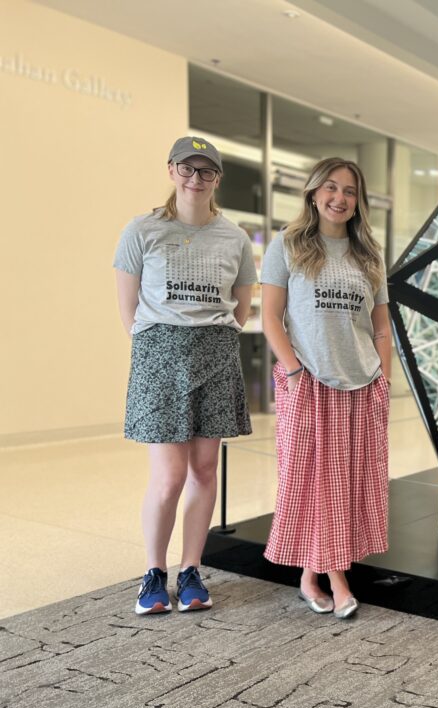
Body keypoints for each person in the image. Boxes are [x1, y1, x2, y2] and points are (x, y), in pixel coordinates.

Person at [114, 136, 256, 615]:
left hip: (215, 353)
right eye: (187, 168)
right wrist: (160, 349)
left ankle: (191, 568)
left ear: (217, 178)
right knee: (169, 476)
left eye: (206, 171)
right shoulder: (142, 229)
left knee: (205, 469)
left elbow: (241, 304)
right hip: (160, 356)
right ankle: (154, 572)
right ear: (172, 170)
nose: (196, 178)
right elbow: (128, 309)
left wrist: (209, 337)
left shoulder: (235, 238)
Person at [261, 157, 391, 620]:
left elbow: (381, 326)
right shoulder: (288, 244)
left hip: (362, 383)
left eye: (350, 191)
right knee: (314, 481)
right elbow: (270, 317)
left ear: (359, 201)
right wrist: (295, 372)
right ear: (314, 193)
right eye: (331, 188)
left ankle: (310, 577)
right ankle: (337, 578)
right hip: (311, 382)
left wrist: (384, 376)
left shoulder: (369, 254)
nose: (340, 198)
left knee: (346, 485)